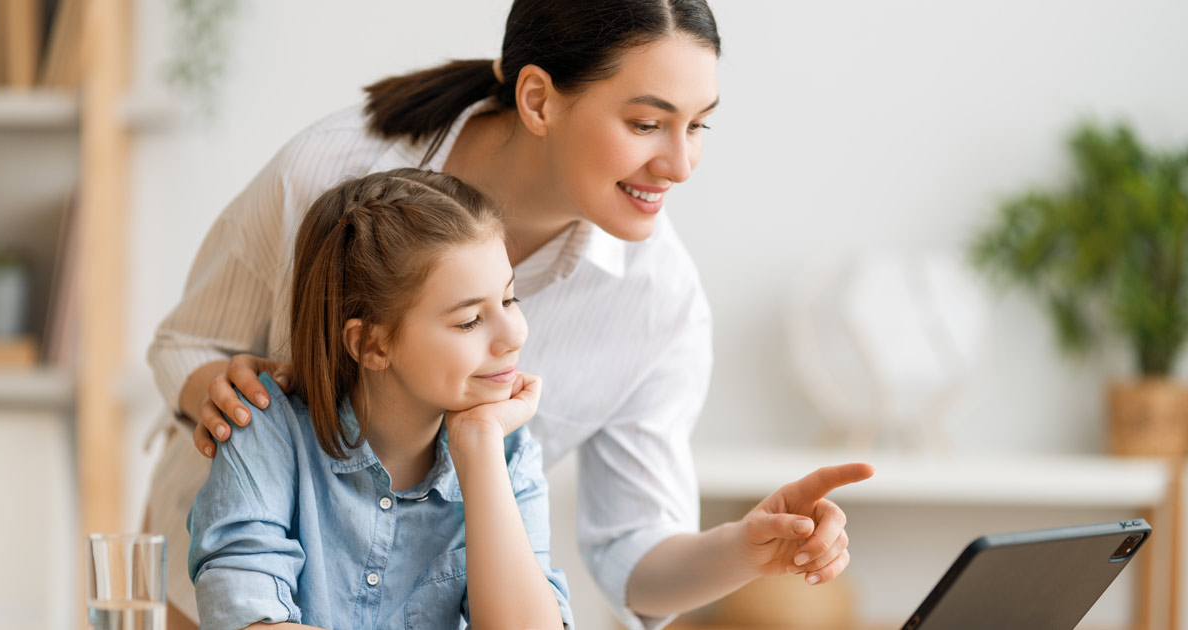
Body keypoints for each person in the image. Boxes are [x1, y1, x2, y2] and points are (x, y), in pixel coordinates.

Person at [147, 1, 874, 628]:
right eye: (648, 122)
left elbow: (633, 548)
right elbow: (187, 340)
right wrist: (228, 397)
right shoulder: (331, 172)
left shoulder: (658, 305)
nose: (681, 164)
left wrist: (746, 547)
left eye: (699, 126)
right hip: (216, 587)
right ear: (537, 100)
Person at [188, 169, 570, 630]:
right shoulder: (267, 431)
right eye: (470, 320)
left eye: (510, 300)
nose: (515, 335)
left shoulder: (508, 454)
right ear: (373, 344)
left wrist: (480, 446)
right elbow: (247, 618)